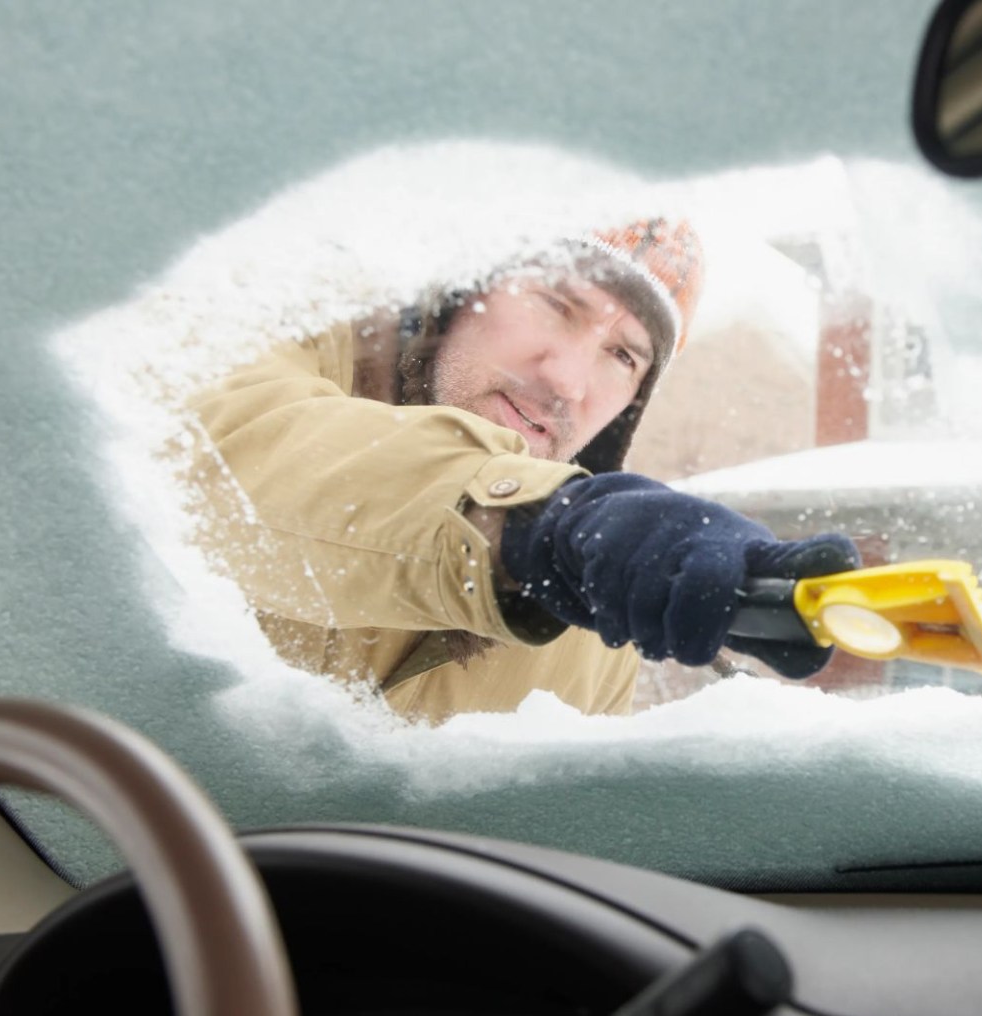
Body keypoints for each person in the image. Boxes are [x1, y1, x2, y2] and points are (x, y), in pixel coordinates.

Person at [180, 217, 859, 724]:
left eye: (623, 356)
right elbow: (228, 469)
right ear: (464, 290)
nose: (567, 380)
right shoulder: (273, 343)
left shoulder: (596, 627)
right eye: (557, 304)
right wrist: (537, 527)